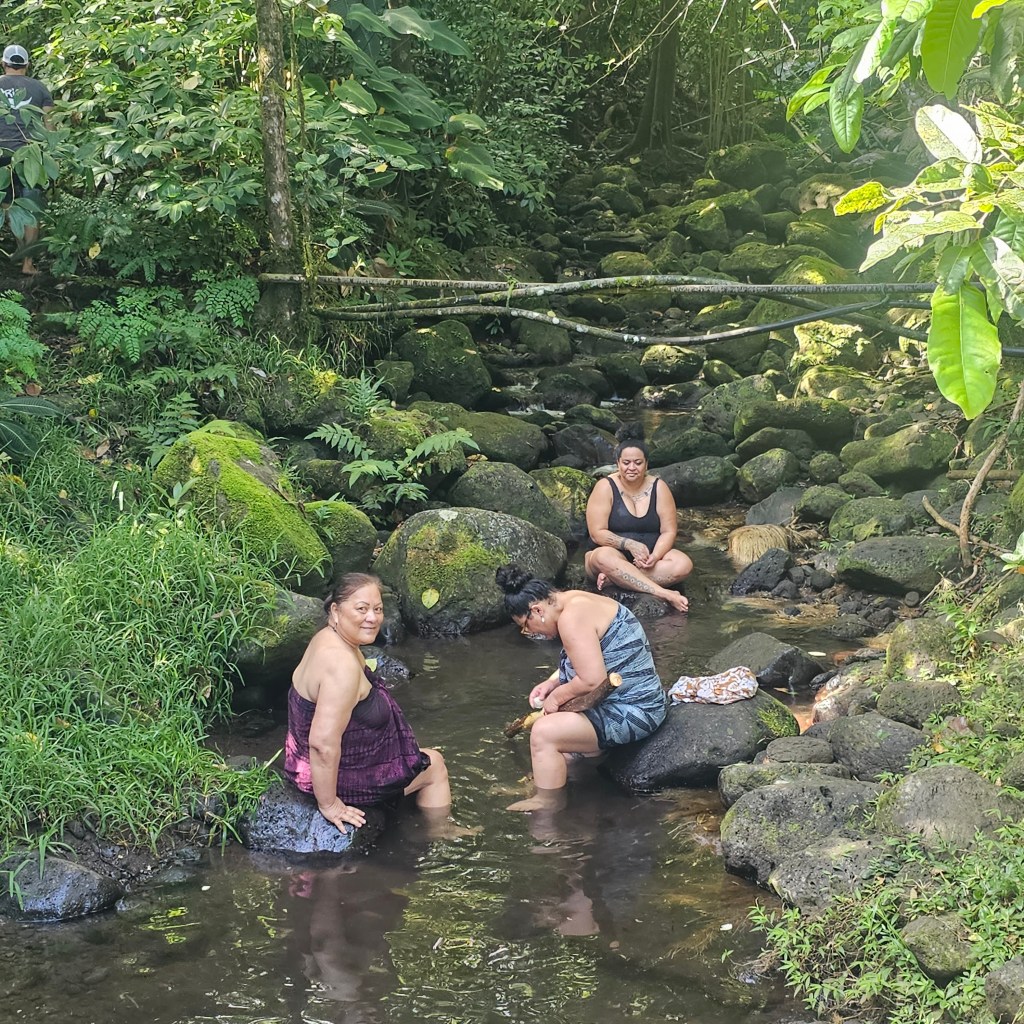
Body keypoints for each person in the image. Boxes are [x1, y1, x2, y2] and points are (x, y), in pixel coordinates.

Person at [284, 572, 454, 831]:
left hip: (311, 764)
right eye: (362, 609)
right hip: (338, 779)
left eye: (378, 609)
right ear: (336, 610)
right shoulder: (341, 665)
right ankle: (440, 833)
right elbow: (322, 744)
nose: (373, 618)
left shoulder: (327, 638)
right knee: (434, 765)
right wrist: (329, 804)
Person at [495, 563, 668, 812]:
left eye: (526, 626)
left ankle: (547, 804)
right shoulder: (574, 600)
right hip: (631, 700)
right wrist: (553, 682)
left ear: (537, 610)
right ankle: (566, 796)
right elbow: (590, 657)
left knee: (543, 734)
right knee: (563, 753)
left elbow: (592, 680)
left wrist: (556, 698)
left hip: (636, 710)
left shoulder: (571, 618)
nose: (531, 633)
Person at [583, 424, 691, 613]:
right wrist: (629, 544)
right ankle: (665, 593)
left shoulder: (659, 487)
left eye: (638, 463)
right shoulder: (605, 487)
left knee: (683, 564)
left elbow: (668, 531)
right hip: (612, 555)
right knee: (603, 557)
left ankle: (615, 579)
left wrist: (655, 556)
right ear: (618, 463)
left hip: (648, 559)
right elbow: (596, 533)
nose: (631, 468)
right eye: (626, 463)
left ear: (646, 464)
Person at [0, 44, 53, 275]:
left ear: (3, 63)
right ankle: (27, 263)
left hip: (2, 154)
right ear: (27, 65)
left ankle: (20, 252)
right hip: (31, 155)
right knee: (31, 207)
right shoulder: (40, 88)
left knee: (10, 206)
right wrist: (51, 155)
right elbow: (49, 126)